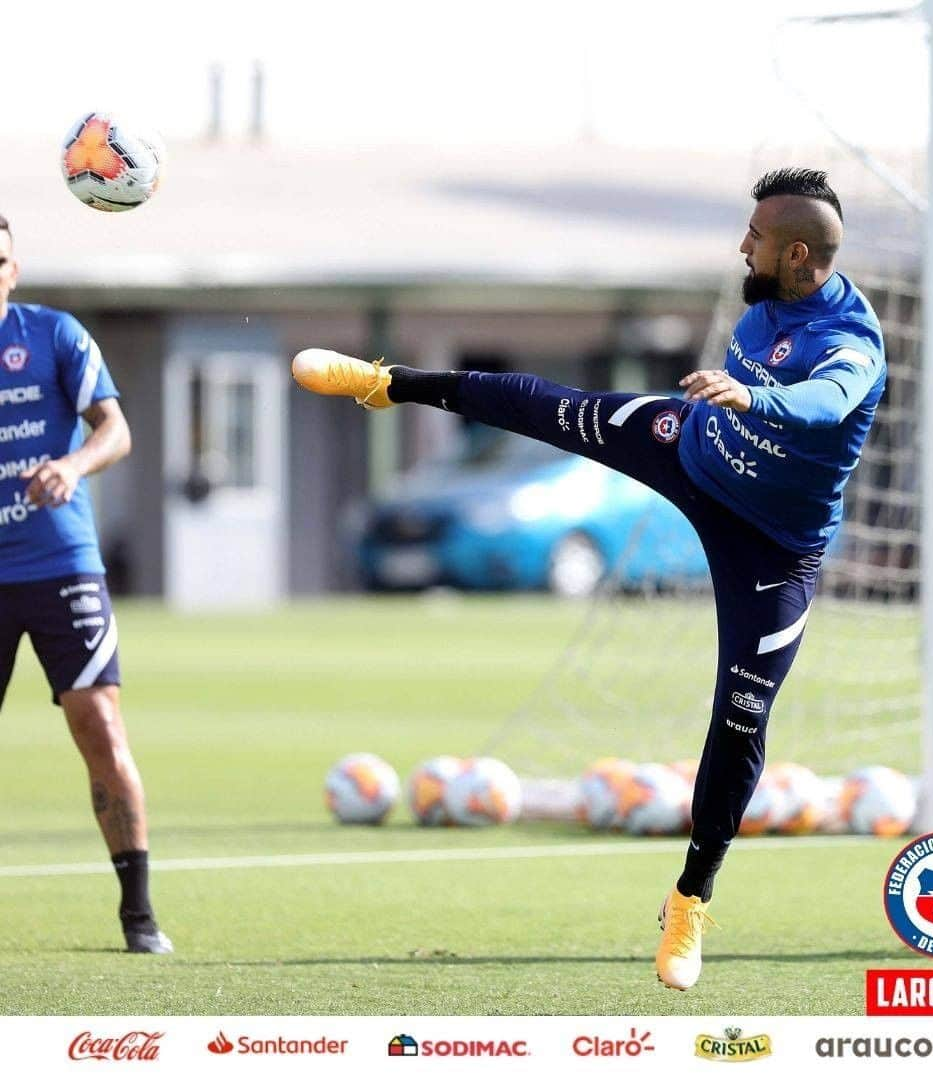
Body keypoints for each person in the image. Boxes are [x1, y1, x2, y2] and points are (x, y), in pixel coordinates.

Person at [291, 167, 885, 991]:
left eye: (753, 237)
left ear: (794, 254)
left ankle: (690, 901)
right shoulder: (770, 293)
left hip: (773, 548)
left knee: (742, 718)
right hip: (691, 447)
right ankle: (386, 383)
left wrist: (753, 397)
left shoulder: (853, 342)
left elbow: (828, 400)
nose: (739, 246)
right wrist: (730, 408)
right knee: (548, 405)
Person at [0, 214, 171, 954]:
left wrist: (71, 467)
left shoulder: (55, 334)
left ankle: (139, 916)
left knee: (98, 723)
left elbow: (115, 429)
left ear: (12, 266)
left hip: (63, 564)